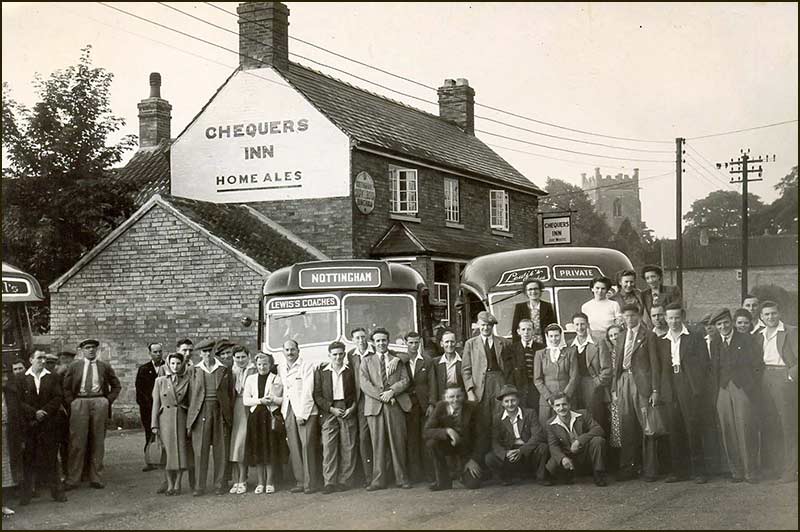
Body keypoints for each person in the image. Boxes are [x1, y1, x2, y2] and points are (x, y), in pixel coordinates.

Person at [709, 308, 763, 483]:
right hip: (723, 389)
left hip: (742, 388)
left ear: (731, 322)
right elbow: (714, 368)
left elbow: (757, 365)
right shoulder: (715, 341)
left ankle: (751, 471)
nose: (723, 326)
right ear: (716, 327)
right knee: (728, 429)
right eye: (719, 324)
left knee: (745, 428)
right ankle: (736, 471)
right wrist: (717, 390)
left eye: (725, 322)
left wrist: (750, 386)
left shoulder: (746, 339)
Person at [661, 303, 710, 484]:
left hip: (688, 384)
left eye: (676, 317)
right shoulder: (663, 339)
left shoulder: (694, 337)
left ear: (682, 318)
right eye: (670, 318)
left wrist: (696, 386)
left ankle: (699, 471)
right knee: (674, 428)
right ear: (665, 319)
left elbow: (704, 363)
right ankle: (679, 471)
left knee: (692, 427)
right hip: (671, 384)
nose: (673, 321)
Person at [63, 339, 121, 491]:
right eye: (87, 348)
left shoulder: (104, 366)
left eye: (93, 348)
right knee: (77, 441)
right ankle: (73, 478)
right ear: (82, 350)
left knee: (98, 440)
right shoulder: (75, 366)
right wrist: (72, 402)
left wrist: (107, 401)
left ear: (97, 350)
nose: (91, 350)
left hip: (99, 401)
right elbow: (66, 387)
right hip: (80, 402)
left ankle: (96, 477)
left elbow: (116, 385)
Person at [612, 305, 660, 482]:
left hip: (642, 384)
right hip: (624, 380)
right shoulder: (622, 336)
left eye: (632, 315)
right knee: (627, 425)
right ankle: (628, 467)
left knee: (647, 425)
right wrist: (614, 389)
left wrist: (655, 390)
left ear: (639, 316)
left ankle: (650, 469)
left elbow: (655, 365)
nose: (629, 319)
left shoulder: (648, 335)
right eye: (626, 316)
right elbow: (616, 365)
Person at [360, 328, 412, 491]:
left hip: (394, 405)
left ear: (388, 341)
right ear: (373, 343)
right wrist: (382, 395)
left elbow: (405, 380)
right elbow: (364, 384)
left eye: (384, 340)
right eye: (378, 341)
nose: (381, 343)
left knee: (398, 442)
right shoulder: (366, 361)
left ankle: (402, 478)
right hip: (375, 407)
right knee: (378, 444)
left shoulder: (396, 360)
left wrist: (392, 391)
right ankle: (378, 480)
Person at [18, 350, 67, 505]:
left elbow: (58, 397)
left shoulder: (53, 377)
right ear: (31, 359)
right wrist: (34, 413)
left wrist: (44, 412)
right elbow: (18, 401)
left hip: (49, 423)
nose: (43, 361)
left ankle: (57, 492)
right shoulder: (21, 378)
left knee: (52, 458)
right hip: (30, 424)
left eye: (45, 358)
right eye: (39, 358)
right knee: (28, 459)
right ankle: (26, 495)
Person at [186, 338, 234, 496]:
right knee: (200, 450)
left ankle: (220, 484)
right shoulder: (194, 370)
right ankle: (199, 486)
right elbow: (191, 395)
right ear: (200, 354)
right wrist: (191, 419)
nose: (207, 354)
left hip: (220, 411)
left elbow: (230, 392)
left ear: (213, 352)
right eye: (204, 352)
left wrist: (228, 413)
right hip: (201, 412)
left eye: (209, 351)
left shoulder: (224, 368)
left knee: (221, 449)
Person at [757, 301, 797, 483]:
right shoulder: (760, 335)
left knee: (788, 425)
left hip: (783, 378)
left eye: (773, 313)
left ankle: (791, 471)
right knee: (771, 425)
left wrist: (790, 377)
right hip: (765, 378)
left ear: (779, 313)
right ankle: (776, 468)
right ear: (761, 317)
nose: (770, 317)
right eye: (766, 314)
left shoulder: (791, 331)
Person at [462, 311, 512, 457]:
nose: (486, 328)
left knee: (500, 419)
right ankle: (483, 462)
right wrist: (470, 391)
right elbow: (466, 370)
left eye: (489, 325)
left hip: (499, 383)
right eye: (483, 325)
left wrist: (507, 387)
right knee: (482, 423)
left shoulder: (503, 342)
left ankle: (501, 459)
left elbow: (509, 368)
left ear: (492, 326)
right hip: (480, 387)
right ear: (478, 325)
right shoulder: (470, 344)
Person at [313, 342, 358, 494]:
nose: (338, 357)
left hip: (347, 409)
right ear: (329, 355)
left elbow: (357, 393)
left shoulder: (350, 371)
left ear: (344, 354)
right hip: (329, 410)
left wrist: (352, 408)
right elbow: (317, 395)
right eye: (335, 354)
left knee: (348, 445)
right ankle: (329, 482)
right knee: (329, 446)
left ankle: (345, 480)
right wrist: (330, 409)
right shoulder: (322, 371)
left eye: (340, 354)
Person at [484, 385, 550, 486]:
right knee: (489, 458)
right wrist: (506, 453)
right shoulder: (498, 418)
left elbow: (537, 435)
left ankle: (540, 477)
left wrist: (521, 450)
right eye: (506, 401)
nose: (510, 404)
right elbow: (495, 441)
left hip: (527, 449)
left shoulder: (530, 413)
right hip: (510, 453)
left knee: (543, 447)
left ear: (518, 400)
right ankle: (506, 477)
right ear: (502, 403)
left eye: (513, 400)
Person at [278, 339, 320, 494]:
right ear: (283, 352)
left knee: (307, 446)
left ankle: (311, 484)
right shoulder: (282, 368)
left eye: (292, 350)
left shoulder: (306, 366)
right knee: (294, 446)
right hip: (288, 409)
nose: (290, 353)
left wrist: (302, 414)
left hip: (305, 411)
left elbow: (308, 390)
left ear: (298, 350)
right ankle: (300, 481)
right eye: (287, 350)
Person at [424, 384, 483, 491]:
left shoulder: (473, 408)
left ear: (463, 396)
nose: (455, 400)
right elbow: (427, 431)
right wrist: (447, 431)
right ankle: (443, 481)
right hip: (449, 444)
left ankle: (462, 474)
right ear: (445, 398)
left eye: (458, 396)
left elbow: (481, 437)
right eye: (451, 397)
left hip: (467, 450)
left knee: (473, 485)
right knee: (432, 443)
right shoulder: (440, 407)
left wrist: (473, 459)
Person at [243, 352, 286, 495]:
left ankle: (270, 482)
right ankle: (260, 482)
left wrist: (273, 399)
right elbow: (246, 400)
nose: (262, 367)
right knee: (258, 449)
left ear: (270, 364)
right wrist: (260, 400)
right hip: (255, 417)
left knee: (270, 449)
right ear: (256, 365)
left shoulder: (277, 378)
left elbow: (282, 400)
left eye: (265, 364)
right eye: (260, 364)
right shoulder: (250, 379)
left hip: (270, 417)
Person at [151, 353, 192, 496]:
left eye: (178, 363)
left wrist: (189, 424)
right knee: (167, 453)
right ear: (168, 364)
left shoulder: (187, 380)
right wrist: (154, 424)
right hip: (165, 420)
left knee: (180, 452)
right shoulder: (160, 381)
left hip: (181, 417)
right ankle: (169, 484)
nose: (175, 366)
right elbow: (155, 404)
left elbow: (191, 402)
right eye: (173, 363)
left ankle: (178, 483)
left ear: (182, 364)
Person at [546, 393, 608, 486]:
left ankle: (598, 474)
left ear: (569, 405)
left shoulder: (583, 414)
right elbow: (553, 445)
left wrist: (579, 441)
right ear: (553, 408)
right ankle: (569, 473)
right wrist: (562, 458)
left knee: (598, 440)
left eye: (564, 404)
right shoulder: (550, 423)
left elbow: (598, 429)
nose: (561, 408)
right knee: (550, 470)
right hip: (568, 454)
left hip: (585, 451)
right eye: (557, 405)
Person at [404, 331, 437, 484]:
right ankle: (415, 475)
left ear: (420, 343)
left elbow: (433, 384)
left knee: (426, 438)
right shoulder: (401, 360)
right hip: (409, 405)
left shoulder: (427, 360)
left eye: (416, 342)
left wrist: (431, 403)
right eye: (410, 342)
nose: (413, 345)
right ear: (406, 343)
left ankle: (430, 474)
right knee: (412, 440)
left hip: (424, 405)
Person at [571, 313, 612, 435]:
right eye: (577, 324)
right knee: (578, 418)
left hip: (592, 385)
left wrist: (597, 383)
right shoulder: (569, 345)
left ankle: (600, 447)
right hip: (575, 386)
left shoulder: (598, 342)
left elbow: (607, 369)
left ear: (587, 325)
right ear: (573, 327)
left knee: (596, 418)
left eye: (582, 324)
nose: (580, 327)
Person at [533, 324, 578, 426]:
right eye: (551, 336)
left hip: (567, 397)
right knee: (547, 428)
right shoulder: (540, 354)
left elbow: (574, 376)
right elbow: (537, 379)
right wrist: (549, 397)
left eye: (557, 336)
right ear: (547, 337)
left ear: (561, 336)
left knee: (569, 426)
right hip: (547, 400)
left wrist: (565, 397)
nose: (554, 339)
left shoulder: (570, 352)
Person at [346, 327, 375, 486]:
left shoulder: (375, 351)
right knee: (361, 439)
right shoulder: (350, 355)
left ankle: (376, 475)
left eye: (363, 337)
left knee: (373, 438)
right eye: (357, 338)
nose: (361, 340)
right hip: (358, 402)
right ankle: (366, 476)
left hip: (373, 400)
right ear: (353, 340)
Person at [228, 345, 256, 494]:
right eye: (237, 357)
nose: (240, 360)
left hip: (248, 409)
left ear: (248, 356)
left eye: (243, 357)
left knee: (242, 444)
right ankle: (236, 479)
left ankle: (243, 479)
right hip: (235, 409)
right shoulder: (231, 372)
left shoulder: (253, 370)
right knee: (234, 445)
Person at [136, 342, 165, 472]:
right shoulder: (143, 369)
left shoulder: (168, 366)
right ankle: (150, 460)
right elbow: (140, 390)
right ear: (150, 353)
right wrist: (149, 405)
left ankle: (166, 460)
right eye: (155, 352)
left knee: (166, 433)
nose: (158, 354)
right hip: (148, 407)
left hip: (165, 407)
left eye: (160, 351)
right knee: (150, 433)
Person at [2, 367, 24, 516]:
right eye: (1, 376)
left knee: (4, 468)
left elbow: (17, 415)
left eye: (5, 375)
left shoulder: (10, 393)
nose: (4, 379)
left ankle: (2, 505)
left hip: (6, 433)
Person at [601, 325, 623, 467]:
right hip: (614, 391)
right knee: (616, 426)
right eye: (611, 335)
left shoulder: (627, 349)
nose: (615, 337)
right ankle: (618, 461)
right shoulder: (609, 353)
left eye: (617, 334)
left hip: (627, 387)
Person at [511, 279, 556, 346]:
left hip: (544, 343)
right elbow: (515, 329)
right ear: (526, 292)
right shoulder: (520, 307)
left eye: (536, 289)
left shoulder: (547, 306)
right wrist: (516, 347)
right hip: (526, 343)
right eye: (530, 289)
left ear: (540, 290)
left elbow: (553, 326)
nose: (533, 291)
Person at [507, 319, 540, 409]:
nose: (526, 332)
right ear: (518, 331)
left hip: (537, 390)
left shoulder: (541, 348)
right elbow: (509, 373)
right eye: (523, 329)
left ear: (533, 331)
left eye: (529, 329)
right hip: (519, 389)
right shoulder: (511, 349)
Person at [581, 276, 622, 341]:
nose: (600, 291)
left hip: (610, 339)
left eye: (603, 288)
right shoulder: (586, 307)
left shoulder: (614, 304)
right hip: (594, 339)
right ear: (592, 289)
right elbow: (586, 327)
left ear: (607, 290)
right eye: (597, 288)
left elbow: (618, 324)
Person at [435, 330, 464, 396]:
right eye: (447, 342)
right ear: (441, 344)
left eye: (452, 341)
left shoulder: (463, 361)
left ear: (456, 343)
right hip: (443, 399)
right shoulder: (436, 363)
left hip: (459, 398)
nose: (450, 345)